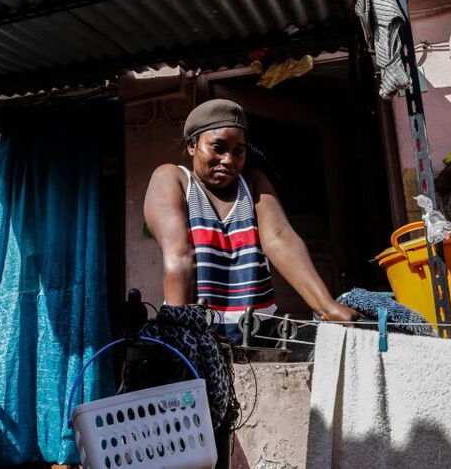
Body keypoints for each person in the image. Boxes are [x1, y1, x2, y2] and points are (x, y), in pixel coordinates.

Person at [144, 99, 358, 343]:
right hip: (197, 329)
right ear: (193, 145)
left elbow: (281, 240)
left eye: (238, 151)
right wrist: (181, 331)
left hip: (258, 330)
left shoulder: (253, 184)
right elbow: (179, 255)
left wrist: (326, 307)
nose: (228, 160)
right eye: (218, 147)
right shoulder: (173, 179)